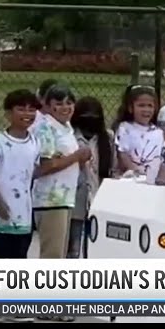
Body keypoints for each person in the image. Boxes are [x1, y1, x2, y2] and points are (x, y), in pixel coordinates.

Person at [0, 89, 41, 323]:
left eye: (31, 109)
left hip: (23, 213)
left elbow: (33, 171)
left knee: (18, 258)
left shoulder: (34, 141)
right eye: (21, 108)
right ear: (8, 113)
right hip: (0, 213)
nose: (27, 113)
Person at [32, 84, 91, 260]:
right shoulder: (46, 128)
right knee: (52, 254)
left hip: (66, 197)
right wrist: (76, 156)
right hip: (50, 199)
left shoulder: (65, 128)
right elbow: (45, 166)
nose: (65, 108)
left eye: (69, 103)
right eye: (59, 103)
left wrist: (80, 160)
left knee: (61, 254)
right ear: (48, 106)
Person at [68, 96, 115, 259]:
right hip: (75, 199)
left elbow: (111, 168)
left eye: (94, 118)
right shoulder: (70, 136)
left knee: (95, 248)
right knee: (72, 248)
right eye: (86, 118)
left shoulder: (107, 138)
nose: (90, 122)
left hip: (98, 198)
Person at [113, 85, 165, 185]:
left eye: (150, 106)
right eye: (141, 105)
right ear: (131, 108)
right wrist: (137, 174)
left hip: (153, 184)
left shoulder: (158, 133)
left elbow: (164, 159)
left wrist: (161, 180)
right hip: (131, 182)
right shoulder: (125, 128)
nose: (146, 110)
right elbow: (122, 155)